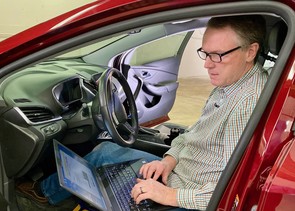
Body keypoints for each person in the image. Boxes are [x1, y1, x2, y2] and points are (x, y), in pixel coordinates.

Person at [16, 15, 267, 211]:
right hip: (179, 173)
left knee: (107, 171)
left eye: (217, 55)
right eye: (204, 52)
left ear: (250, 51)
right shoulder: (229, 84)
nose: (207, 63)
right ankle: (46, 195)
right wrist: (169, 160)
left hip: (189, 194)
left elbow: (237, 189)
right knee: (104, 151)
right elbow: (194, 136)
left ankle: (41, 198)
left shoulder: (249, 104)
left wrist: (169, 195)